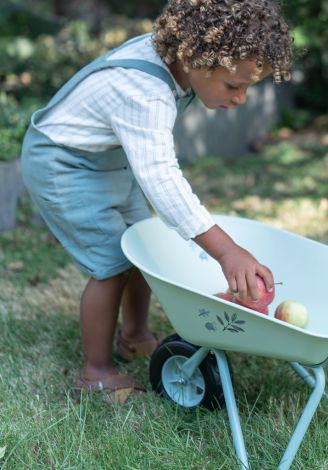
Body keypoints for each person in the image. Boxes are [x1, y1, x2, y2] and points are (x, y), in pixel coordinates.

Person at [21, 0, 293, 403]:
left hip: (106, 158)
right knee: (110, 263)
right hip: (63, 163)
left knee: (139, 246)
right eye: (234, 86)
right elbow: (161, 179)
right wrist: (226, 251)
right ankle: (94, 372)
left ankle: (133, 336)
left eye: (248, 88)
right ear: (193, 57)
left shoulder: (177, 59)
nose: (240, 99)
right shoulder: (144, 90)